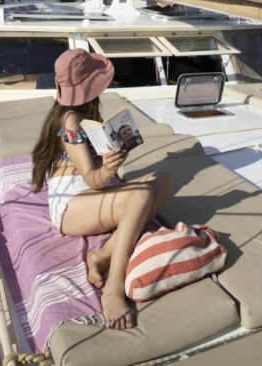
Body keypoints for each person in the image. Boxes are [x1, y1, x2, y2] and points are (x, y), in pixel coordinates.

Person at [32, 49, 172, 330]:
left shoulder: (86, 113)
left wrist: (115, 155)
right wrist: (108, 169)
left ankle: (102, 255)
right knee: (142, 195)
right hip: (72, 205)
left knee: (163, 180)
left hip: (91, 195)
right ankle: (113, 288)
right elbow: (93, 178)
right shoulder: (70, 120)